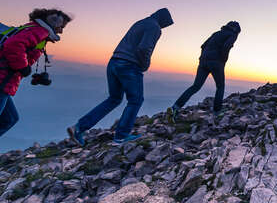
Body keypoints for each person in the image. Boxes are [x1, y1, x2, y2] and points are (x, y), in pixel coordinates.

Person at [67, 8, 173, 146]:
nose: (164, 27)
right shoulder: (154, 27)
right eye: (166, 24)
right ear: (163, 20)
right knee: (136, 100)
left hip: (114, 62)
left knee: (114, 99)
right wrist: (144, 65)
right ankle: (121, 136)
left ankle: (79, 127)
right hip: (129, 65)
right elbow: (144, 48)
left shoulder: (141, 23)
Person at [0, 8, 72, 137]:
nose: (61, 31)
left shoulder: (33, 28)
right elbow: (13, 45)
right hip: (2, 81)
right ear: (53, 24)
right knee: (8, 119)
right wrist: (23, 67)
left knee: (10, 119)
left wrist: (34, 75)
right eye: (61, 27)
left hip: (5, 81)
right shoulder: (40, 31)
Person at [167, 21, 241, 123]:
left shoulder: (216, 33)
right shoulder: (233, 34)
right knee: (220, 86)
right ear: (236, 30)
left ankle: (175, 107)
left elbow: (203, 46)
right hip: (216, 63)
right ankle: (216, 111)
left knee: (195, 86)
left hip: (203, 62)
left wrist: (203, 58)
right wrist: (222, 61)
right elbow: (226, 47)